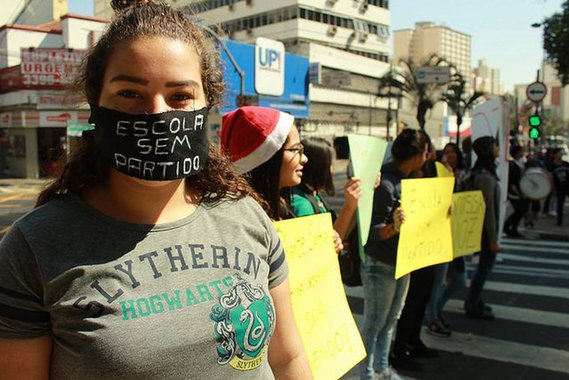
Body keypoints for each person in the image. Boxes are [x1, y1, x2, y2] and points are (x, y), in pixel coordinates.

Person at [0, 2, 312, 379]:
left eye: (180, 96)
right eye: (130, 93)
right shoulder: (32, 248)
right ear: (96, 104)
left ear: (207, 104)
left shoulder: (246, 215)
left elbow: (287, 358)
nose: (156, 114)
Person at [359, 128, 430, 380]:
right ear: (421, 154)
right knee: (375, 323)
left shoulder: (406, 181)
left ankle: (381, 369)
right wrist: (394, 227)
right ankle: (367, 374)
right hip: (381, 264)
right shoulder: (387, 184)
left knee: (389, 321)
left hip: (402, 262)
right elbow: (372, 231)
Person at [220, 107, 343, 253]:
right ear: (267, 159)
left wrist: (324, 242)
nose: (304, 158)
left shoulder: (280, 204)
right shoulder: (241, 224)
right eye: (295, 150)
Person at [391, 136, 440, 371]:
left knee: (420, 298)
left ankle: (412, 340)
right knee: (405, 305)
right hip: (404, 254)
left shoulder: (421, 173)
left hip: (424, 248)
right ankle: (399, 350)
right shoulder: (392, 179)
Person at [425, 143, 468, 337]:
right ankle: (432, 317)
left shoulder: (465, 175)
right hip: (440, 236)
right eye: (446, 152)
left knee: (459, 280)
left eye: (453, 152)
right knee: (438, 282)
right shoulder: (435, 174)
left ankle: (434, 312)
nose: (449, 156)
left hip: (456, 234)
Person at [290, 137, 362, 240]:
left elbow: (340, 232)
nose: (332, 170)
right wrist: (349, 206)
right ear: (318, 167)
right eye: (330, 164)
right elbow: (325, 246)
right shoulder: (302, 204)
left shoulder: (312, 195)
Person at [463, 136, 501, 320]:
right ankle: (472, 303)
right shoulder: (485, 177)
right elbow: (489, 212)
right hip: (485, 232)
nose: (498, 148)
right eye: (495, 145)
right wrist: (493, 239)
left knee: (484, 268)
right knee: (484, 268)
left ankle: (474, 300)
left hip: (482, 231)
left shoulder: (480, 172)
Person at [504, 145, 529, 237]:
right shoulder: (512, 165)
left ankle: (512, 227)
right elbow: (512, 180)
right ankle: (508, 226)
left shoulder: (521, 163)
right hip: (515, 192)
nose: (522, 153)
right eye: (520, 151)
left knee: (522, 209)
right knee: (520, 209)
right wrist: (517, 191)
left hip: (521, 190)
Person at [551, 148, 569, 226]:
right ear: (554, 155)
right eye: (559, 153)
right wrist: (553, 188)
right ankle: (559, 221)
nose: (561, 154)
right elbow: (550, 177)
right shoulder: (552, 165)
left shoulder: (566, 164)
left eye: (561, 153)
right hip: (559, 187)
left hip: (568, 186)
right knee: (560, 205)